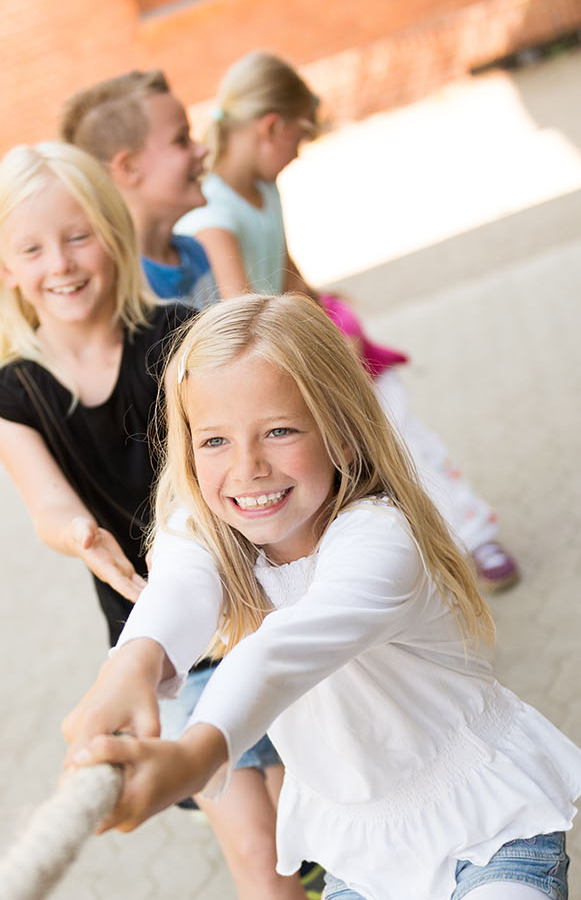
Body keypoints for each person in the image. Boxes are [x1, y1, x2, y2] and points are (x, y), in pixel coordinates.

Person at [63, 294, 581, 900]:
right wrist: (129, 670)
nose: (247, 470)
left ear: (342, 432)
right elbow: (177, 594)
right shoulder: (211, 527)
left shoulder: (377, 540)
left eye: (279, 431)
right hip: (365, 855)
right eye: (215, 440)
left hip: (492, 828)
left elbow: (281, 656)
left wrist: (195, 755)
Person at [0, 143, 319, 900]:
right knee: (253, 845)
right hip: (165, 649)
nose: (60, 265)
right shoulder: (3, 395)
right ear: (3, 265)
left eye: (77, 237)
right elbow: (44, 497)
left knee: (328, 824)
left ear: (112, 235)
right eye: (34, 248)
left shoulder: (175, 338)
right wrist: (74, 532)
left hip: (270, 608)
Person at [175, 50, 520, 591]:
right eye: (300, 136)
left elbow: (286, 271)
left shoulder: (264, 190)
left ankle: (459, 535)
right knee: (381, 429)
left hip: (301, 347)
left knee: (394, 417)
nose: (298, 152)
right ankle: (455, 539)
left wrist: (335, 324)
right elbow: (241, 320)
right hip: (272, 372)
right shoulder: (214, 218)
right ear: (271, 127)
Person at [60, 70, 217, 308]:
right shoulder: (118, 288)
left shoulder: (195, 253)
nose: (202, 150)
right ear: (129, 168)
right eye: (181, 140)